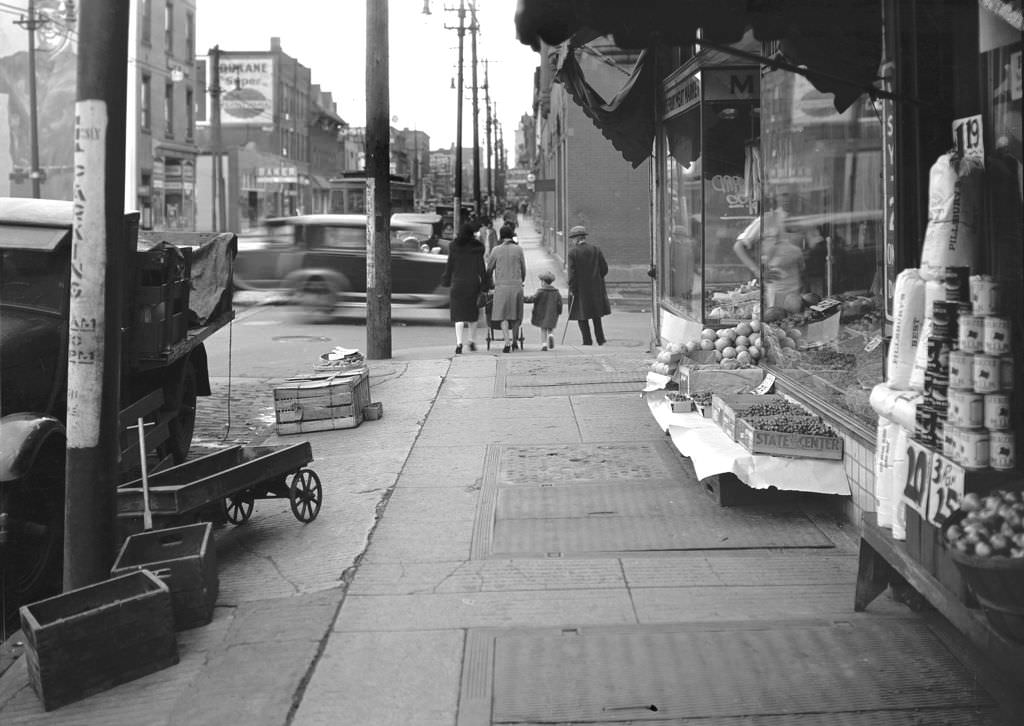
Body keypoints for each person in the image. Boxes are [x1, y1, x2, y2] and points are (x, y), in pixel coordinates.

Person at [733, 193, 804, 309]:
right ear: (777, 198)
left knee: (797, 320)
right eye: (783, 195)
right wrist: (757, 271)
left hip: (797, 284)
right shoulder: (766, 220)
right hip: (776, 285)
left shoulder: (799, 220)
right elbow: (738, 246)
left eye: (789, 194)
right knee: (775, 316)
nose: (787, 199)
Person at [440, 223, 488, 354]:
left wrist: (446, 280)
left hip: (458, 284)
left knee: (458, 315)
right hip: (472, 284)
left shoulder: (454, 247)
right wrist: (485, 284)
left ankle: (459, 343)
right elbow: (481, 268)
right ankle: (471, 341)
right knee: (473, 315)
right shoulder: (476, 248)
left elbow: (449, 266)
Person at [566, 225, 611, 346]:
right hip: (596, 288)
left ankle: (587, 341)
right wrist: (596, 278)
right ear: (584, 237)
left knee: (582, 315)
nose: (572, 241)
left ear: (576, 238)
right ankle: (600, 339)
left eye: (572, 239)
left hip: (580, 289)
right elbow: (604, 269)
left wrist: (572, 288)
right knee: (596, 315)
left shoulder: (572, 252)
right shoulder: (596, 249)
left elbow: (572, 274)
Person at [486, 225, 526, 353]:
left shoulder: (496, 250)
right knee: (515, 315)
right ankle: (515, 341)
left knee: (503, 316)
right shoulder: (519, 250)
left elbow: (489, 269)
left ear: (501, 236)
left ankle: (507, 342)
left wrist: (491, 284)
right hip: (516, 286)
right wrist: (521, 280)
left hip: (501, 287)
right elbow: (523, 269)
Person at [527, 270, 563, 351]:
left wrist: (523, 299)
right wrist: (559, 311)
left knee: (543, 329)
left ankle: (544, 344)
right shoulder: (556, 292)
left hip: (542, 313)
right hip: (552, 314)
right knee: (550, 328)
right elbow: (559, 303)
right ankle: (551, 335)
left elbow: (533, 299)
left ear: (543, 282)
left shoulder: (540, 291)